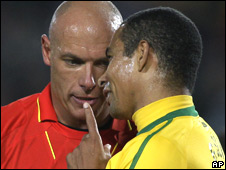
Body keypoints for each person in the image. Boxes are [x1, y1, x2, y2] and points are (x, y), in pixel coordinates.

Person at [66, 7, 225, 169]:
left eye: (111, 58)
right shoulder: (207, 137)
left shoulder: (156, 147)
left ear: (142, 54)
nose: (102, 78)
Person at [1, 1, 137, 169]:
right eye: (73, 62)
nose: (88, 82)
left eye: (103, 63)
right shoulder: (5, 129)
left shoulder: (147, 135)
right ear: (47, 51)